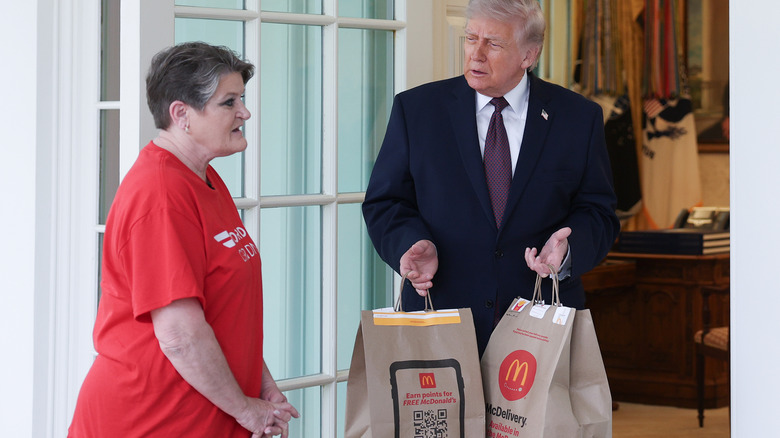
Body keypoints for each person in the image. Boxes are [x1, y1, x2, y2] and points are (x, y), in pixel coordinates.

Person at [362, 0, 620, 355]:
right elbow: (385, 202)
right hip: (440, 318)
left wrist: (568, 251)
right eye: (471, 39)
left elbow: (599, 212)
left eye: (493, 44)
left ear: (529, 55)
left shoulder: (578, 117)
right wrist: (410, 242)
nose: (476, 55)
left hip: (540, 329)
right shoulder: (418, 110)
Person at [68, 42, 299, 437]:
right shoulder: (160, 194)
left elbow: (223, 311)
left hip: (201, 415)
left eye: (241, 99)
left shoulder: (203, 179)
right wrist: (245, 409)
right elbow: (179, 334)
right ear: (182, 115)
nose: (244, 112)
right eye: (229, 102)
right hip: (151, 420)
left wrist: (261, 385)